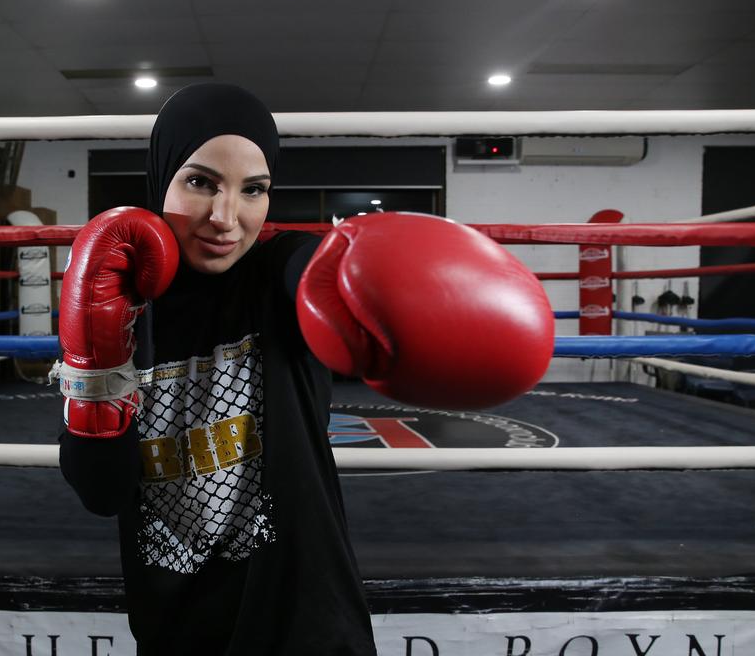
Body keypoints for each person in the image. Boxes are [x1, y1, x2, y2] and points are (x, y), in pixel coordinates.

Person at [54, 83, 553, 655]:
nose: (225, 218)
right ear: (161, 176)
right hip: (173, 629)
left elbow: (312, 269)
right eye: (200, 183)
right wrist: (98, 364)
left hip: (305, 628)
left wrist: (371, 278)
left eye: (254, 190)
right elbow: (102, 492)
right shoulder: (111, 300)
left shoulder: (281, 271)